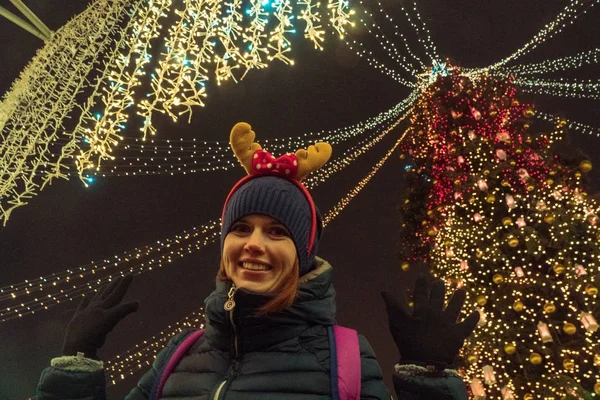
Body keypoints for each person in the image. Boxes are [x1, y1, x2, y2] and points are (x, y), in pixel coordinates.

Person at [37, 122, 479, 399]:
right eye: (241, 228)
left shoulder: (344, 357)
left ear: (303, 254)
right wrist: (76, 366)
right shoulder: (181, 353)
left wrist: (429, 379)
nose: (254, 243)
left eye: (278, 232)